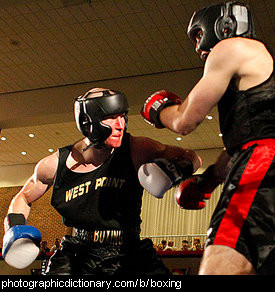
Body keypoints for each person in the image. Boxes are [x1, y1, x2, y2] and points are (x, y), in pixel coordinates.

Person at [2, 88, 201, 275]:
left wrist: (174, 171)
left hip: (128, 250)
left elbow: (191, 156)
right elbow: (23, 197)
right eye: (111, 118)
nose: (120, 125)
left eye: (122, 117)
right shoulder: (54, 165)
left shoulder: (136, 149)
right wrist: (15, 229)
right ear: (88, 121)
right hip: (78, 253)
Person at [141, 1, 274, 275]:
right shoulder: (259, 65)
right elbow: (245, 143)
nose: (198, 48)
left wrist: (158, 110)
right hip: (258, 160)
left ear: (221, 26)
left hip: (264, 163)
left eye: (198, 35)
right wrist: (208, 180)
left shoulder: (231, 48)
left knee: (219, 265)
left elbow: (184, 121)